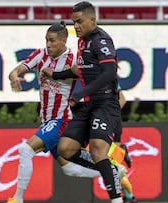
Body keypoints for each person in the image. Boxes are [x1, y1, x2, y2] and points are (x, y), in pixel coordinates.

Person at [7, 21, 108, 203]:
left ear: (63, 41)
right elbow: (18, 69)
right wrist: (14, 76)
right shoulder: (41, 54)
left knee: (25, 150)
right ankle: (112, 171)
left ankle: (17, 199)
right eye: (46, 40)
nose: (48, 44)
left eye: (52, 41)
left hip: (61, 120)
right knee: (69, 169)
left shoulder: (73, 59)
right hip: (47, 121)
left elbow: (86, 72)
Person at [42, 1, 124, 202]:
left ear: (92, 20)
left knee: (97, 148)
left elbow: (109, 73)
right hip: (89, 106)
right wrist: (56, 74)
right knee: (65, 148)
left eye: (79, 22)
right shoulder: (82, 41)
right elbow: (78, 69)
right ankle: (110, 169)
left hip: (105, 103)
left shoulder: (101, 41)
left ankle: (117, 199)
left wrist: (81, 93)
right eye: (73, 22)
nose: (75, 27)